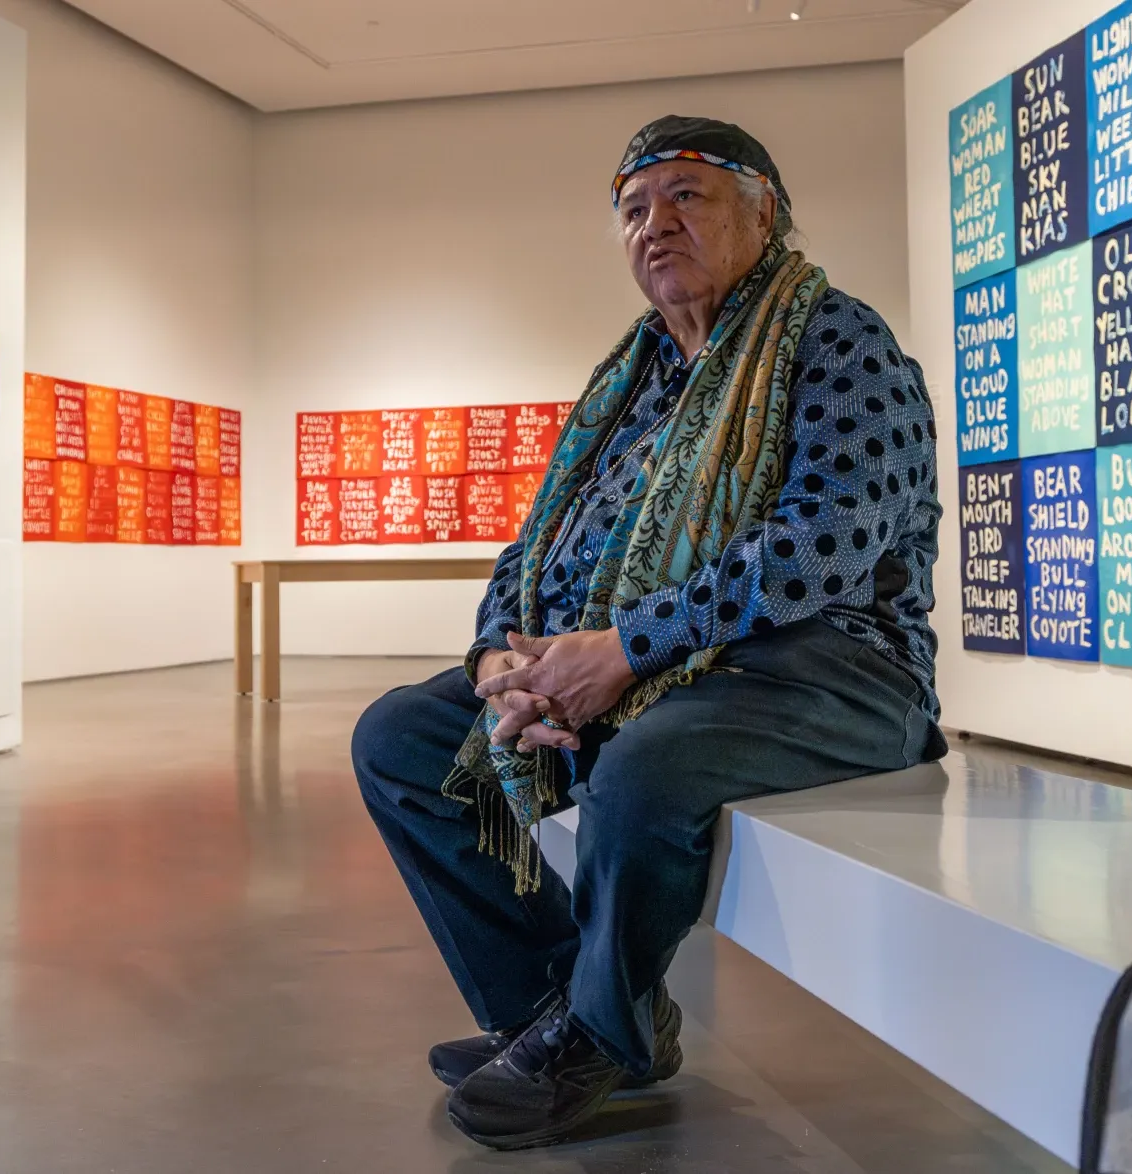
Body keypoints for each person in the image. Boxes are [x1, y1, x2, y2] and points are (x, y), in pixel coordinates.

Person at [351, 115, 947, 1151]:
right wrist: (502, 662)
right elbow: (537, 543)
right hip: (656, 662)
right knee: (402, 739)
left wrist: (626, 648)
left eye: (686, 196)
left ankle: (598, 1032)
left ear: (762, 212)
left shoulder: (839, 344)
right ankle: (553, 1005)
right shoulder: (631, 380)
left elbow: (821, 546)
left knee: (642, 765)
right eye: (632, 208)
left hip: (836, 668)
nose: (654, 224)